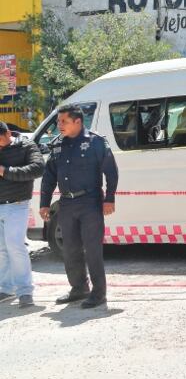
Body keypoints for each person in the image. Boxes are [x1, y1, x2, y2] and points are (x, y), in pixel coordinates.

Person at [39, 104, 119, 309]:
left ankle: (98, 293)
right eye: (58, 121)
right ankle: (79, 288)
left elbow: (111, 171)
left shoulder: (95, 141)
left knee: (92, 249)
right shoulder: (57, 145)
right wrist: (44, 203)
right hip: (66, 203)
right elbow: (49, 176)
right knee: (70, 249)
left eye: (63, 121)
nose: (59, 125)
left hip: (90, 202)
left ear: (78, 121)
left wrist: (109, 198)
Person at [0, 121, 44, 308]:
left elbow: (37, 168)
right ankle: (6, 288)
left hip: (17, 205)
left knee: (15, 246)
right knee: (1, 250)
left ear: (8, 133)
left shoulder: (26, 145)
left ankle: (25, 291)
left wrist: (5, 171)